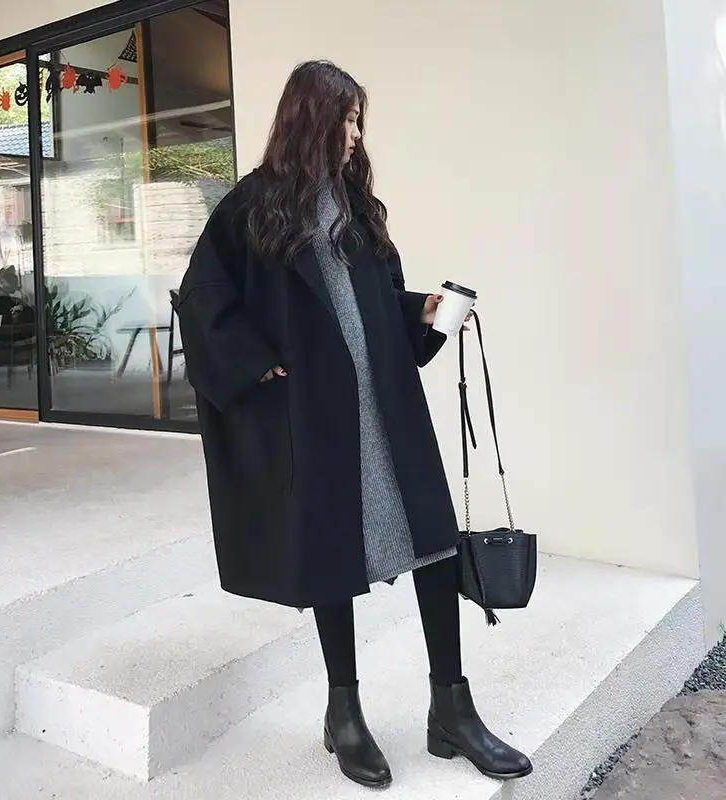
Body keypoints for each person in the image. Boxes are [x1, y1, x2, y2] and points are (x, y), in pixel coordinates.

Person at [176, 60, 531, 789]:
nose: (355, 134)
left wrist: (423, 309)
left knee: (434, 545)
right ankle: (345, 715)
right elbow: (202, 298)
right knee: (331, 556)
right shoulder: (252, 209)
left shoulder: (356, 208)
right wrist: (256, 364)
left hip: (386, 407)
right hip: (317, 418)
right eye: (346, 119)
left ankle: (451, 708)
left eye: (358, 120)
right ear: (311, 120)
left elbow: (374, 305)